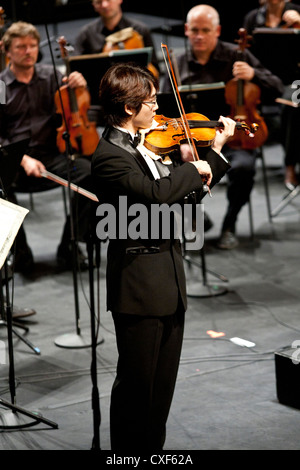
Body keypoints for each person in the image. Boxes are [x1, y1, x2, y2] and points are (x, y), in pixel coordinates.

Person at [91, 62, 235, 451]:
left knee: (159, 397)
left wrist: (215, 154)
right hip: (139, 290)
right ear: (127, 108)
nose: (158, 109)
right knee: (136, 394)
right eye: (150, 103)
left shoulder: (152, 146)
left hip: (169, 284)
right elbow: (155, 195)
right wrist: (192, 166)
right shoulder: (109, 156)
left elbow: (180, 202)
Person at [162, 4, 284, 249]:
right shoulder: (177, 62)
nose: (199, 35)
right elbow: (165, 108)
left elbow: (278, 86)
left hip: (232, 139)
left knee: (244, 168)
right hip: (193, 142)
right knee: (168, 169)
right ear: (186, 30)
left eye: (205, 30)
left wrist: (254, 74)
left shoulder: (236, 55)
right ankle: (194, 215)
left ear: (217, 31)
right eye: (194, 30)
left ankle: (230, 223)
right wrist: (183, 142)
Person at [0, 21, 97, 273]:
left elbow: (74, 103)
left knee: (92, 173)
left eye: (32, 46)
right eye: (21, 47)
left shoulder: (52, 75)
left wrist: (79, 84)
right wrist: (22, 159)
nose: (28, 51)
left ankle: (70, 244)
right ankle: (18, 251)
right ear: (7, 51)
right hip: (16, 162)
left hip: (53, 157)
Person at [244, 0, 300, 190]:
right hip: (262, 78)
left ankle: (290, 165)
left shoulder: (297, 13)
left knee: (291, 107)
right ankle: (244, 151)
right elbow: (246, 52)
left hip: (291, 80)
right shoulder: (253, 18)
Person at [74, 0, 159, 75]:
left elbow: (154, 70)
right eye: (99, 1)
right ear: (94, 5)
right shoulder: (86, 34)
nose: (104, 5)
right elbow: (76, 69)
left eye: (108, 0)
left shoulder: (140, 30)